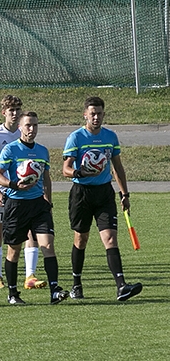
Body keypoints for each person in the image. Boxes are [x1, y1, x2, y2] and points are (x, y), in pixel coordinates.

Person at [62, 97, 142, 301]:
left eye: (99, 113)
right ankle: (76, 284)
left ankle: (121, 286)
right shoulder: (76, 138)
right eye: (92, 113)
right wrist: (80, 172)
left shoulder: (110, 137)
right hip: (82, 194)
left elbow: (118, 168)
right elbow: (65, 169)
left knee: (110, 238)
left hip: (104, 193)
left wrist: (125, 194)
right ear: (85, 115)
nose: (96, 117)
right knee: (81, 238)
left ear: (103, 114)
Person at [0, 111, 70, 306]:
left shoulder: (42, 151)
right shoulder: (10, 150)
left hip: (38, 205)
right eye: (28, 125)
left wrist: (48, 202)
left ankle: (54, 290)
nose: (31, 129)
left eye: (35, 125)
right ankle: (12, 293)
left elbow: (46, 179)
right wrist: (13, 185)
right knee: (14, 251)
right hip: (16, 205)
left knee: (48, 245)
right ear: (20, 127)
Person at [0, 95, 43, 290]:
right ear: (4, 113)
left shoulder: (24, 132)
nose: (15, 114)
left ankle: (30, 276)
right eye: (12, 111)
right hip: (0, 193)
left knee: (29, 232)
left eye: (18, 110)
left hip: (22, 196)